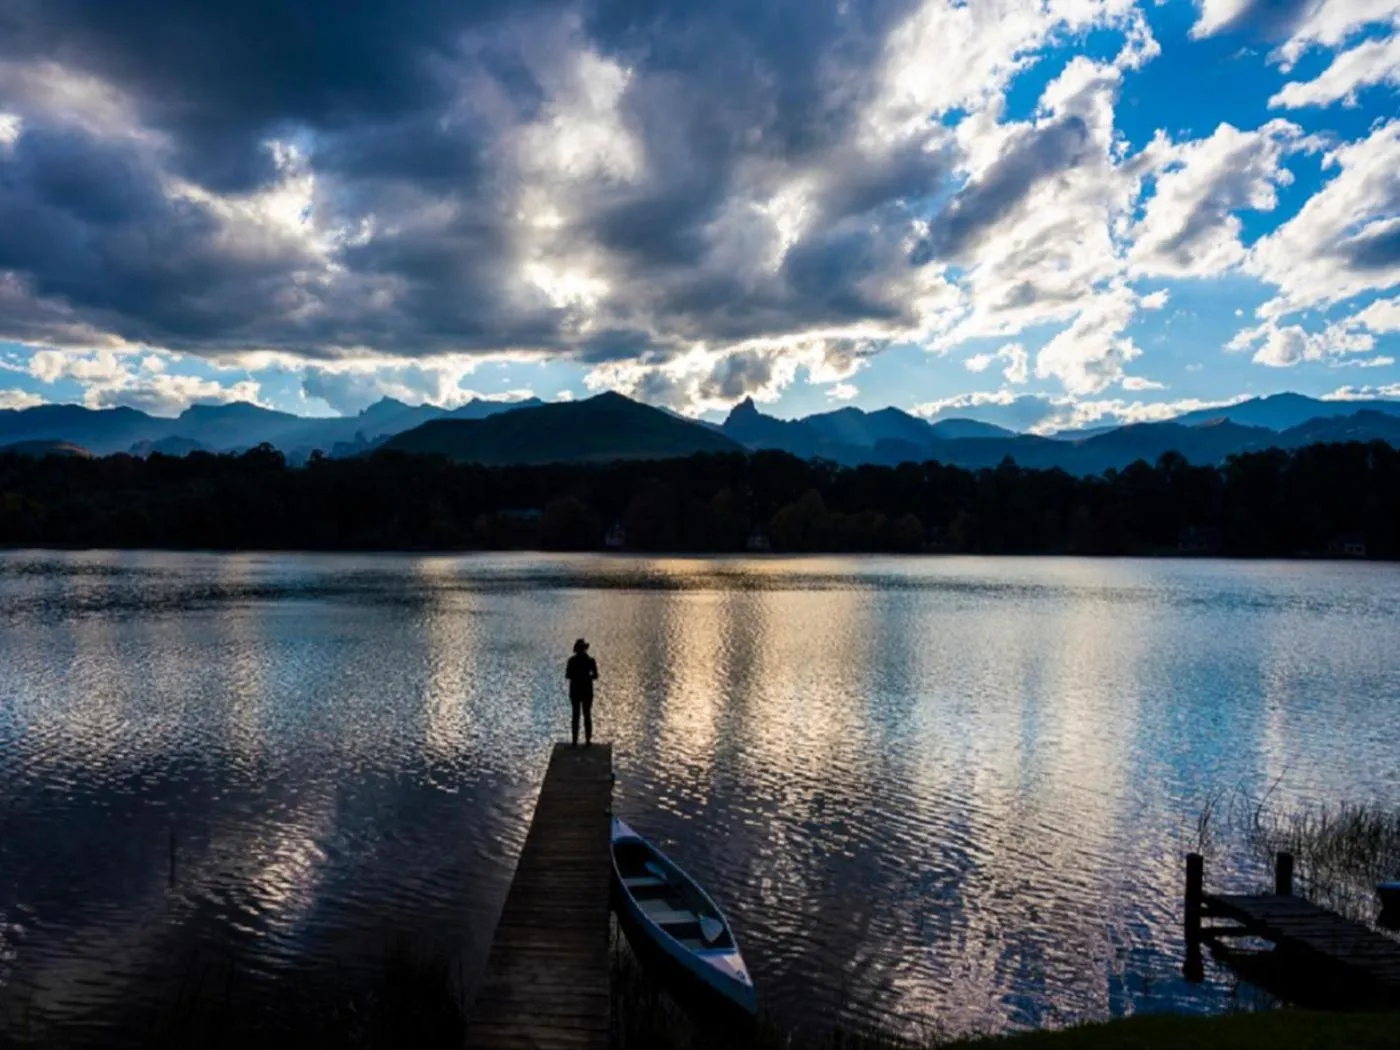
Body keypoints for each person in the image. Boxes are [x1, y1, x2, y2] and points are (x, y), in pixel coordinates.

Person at [565, 638, 599, 746]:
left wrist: (577, 676)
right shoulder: (590, 661)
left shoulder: (572, 661)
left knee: (576, 715)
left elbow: (568, 675)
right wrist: (587, 676)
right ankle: (587, 741)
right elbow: (595, 675)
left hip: (575, 690)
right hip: (586, 690)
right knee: (586, 715)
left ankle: (575, 741)